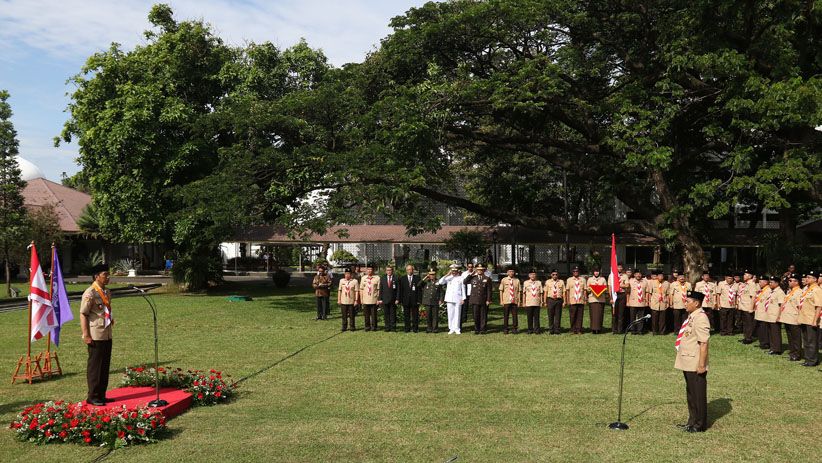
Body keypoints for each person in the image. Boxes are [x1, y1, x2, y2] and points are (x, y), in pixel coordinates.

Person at [674, 290, 711, 433]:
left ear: (696, 303)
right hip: (688, 360)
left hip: (695, 363)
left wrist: (702, 365)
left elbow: (704, 343)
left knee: (698, 394)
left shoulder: (701, 318)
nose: (685, 303)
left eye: (688, 301)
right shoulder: (692, 316)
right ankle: (692, 420)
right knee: (691, 393)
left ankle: (700, 424)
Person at [81, 264, 114, 406]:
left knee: (105, 365)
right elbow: (83, 314)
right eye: (105, 274)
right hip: (95, 334)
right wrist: (86, 334)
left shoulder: (107, 292)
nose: (108, 277)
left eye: (108, 274)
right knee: (95, 366)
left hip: (106, 333)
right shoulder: (90, 293)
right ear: (97, 276)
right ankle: (93, 395)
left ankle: (101, 394)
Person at [798, 270, 821, 367]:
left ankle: (812, 360)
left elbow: (819, 306)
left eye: (809, 277)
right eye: (806, 277)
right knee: (806, 340)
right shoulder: (806, 289)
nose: (806, 279)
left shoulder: (817, 290)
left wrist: (815, 320)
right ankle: (807, 358)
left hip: (811, 319)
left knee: (811, 341)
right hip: (804, 318)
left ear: (815, 279)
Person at [778, 273, 803, 361]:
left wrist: (800, 318)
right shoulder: (790, 292)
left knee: (796, 338)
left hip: (794, 318)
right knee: (790, 337)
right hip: (787, 317)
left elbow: (800, 307)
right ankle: (792, 352)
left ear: (796, 282)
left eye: (790, 280)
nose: (788, 282)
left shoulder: (800, 292)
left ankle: (797, 354)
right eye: (789, 280)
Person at [438, 264, 465, 334]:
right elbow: (440, 282)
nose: (454, 272)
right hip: (449, 298)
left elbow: (463, 288)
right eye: (452, 271)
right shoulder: (448, 278)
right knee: (450, 313)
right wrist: (447, 274)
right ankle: (451, 328)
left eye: (455, 271)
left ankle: (457, 328)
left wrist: (463, 298)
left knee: (457, 313)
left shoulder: (461, 278)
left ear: (457, 271)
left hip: (458, 298)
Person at [467, 264, 493, 334]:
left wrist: (488, 299)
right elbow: (465, 281)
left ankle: (483, 329)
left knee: (483, 315)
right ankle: (476, 329)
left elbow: (489, 290)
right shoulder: (473, 278)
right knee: (475, 315)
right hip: (475, 299)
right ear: (476, 270)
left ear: (483, 270)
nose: (479, 271)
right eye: (478, 269)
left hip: (483, 299)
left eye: (481, 270)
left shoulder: (487, 278)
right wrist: (472, 273)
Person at [735, 270, 758, 344]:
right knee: (745, 323)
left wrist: (751, 308)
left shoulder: (752, 284)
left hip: (748, 307)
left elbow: (753, 297)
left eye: (745, 274)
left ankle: (748, 338)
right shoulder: (744, 284)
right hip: (743, 306)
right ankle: (746, 337)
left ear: (750, 276)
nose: (744, 276)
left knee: (748, 323)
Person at [398, 264, 422, 333]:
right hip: (405, 300)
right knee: (406, 315)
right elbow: (401, 290)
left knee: (415, 315)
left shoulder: (417, 278)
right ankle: (407, 328)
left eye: (411, 269)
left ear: (413, 270)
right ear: (406, 270)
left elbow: (419, 290)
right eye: (408, 269)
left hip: (415, 300)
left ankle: (415, 328)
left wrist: (419, 300)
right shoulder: (402, 278)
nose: (409, 271)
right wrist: (400, 300)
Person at [765, 276, 785, 355]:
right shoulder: (772, 291)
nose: (770, 283)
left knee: (775, 333)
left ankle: (777, 349)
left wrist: (779, 316)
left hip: (775, 316)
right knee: (771, 333)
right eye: (769, 282)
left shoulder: (780, 292)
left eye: (772, 282)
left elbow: (781, 305)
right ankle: (772, 347)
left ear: (777, 283)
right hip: (770, 315)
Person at [499, 266, 521, 334]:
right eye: (510, 271)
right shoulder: (504, 280)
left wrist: (519, 301)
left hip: (514, 300)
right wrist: (501, 300)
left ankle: (514, 328)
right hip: (506, 300)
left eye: (512, 271)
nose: (511, 273)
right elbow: (501, 290)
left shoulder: (517, 280)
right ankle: (506, 329)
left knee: (515, 315)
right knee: (506, 315)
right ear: (507, 272)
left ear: (514, 272)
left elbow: (519, 291)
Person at [753, 275, 773, 351]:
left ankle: (765, 343)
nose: (759, 283)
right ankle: (762, 342)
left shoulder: (768, 290)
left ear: (766, 282)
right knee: (761, 329)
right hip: (759, 312)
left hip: (764, 313)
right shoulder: (762, 290)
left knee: (764, 329)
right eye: (759, 282)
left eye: (761, 282)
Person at [626, 270, 649, 334]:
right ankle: (633, 330)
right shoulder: (630, 281)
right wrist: (627, 301)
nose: (638, 275)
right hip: (633, 302)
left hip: (642, 302)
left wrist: (647, 301)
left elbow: (647, 292)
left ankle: (640, 330)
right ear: (634, 275)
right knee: (632, 317)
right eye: (637, 274)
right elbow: (627, 292)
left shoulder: (645, 282)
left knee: (641, 317)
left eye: (639, 274)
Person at [586, 268, 608, 334]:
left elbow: (605, 288)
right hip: (593, 299)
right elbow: (587, 289)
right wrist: (592, 288)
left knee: (600, 315)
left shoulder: (603, 279)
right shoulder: (590, 279)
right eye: (595, 271)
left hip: (601, 300)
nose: (596, 273)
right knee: (593, 315)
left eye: (597, 271)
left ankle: (599, 329)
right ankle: (593, 329)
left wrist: (600, 289)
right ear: (593, 272)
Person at [359, 264, 381, 331]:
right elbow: (361, 289)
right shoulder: (363, 278)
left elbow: (378, 289)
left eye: (371, 269)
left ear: (373, 270)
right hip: (365, 299)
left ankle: (374, 326)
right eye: (368, 269)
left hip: (374, 299)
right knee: (366, 314)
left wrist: (378, 299)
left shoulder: (377, 278)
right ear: (366, 270)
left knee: (374, 314)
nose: (369, 271)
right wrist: (361, 299)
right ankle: (367, 326)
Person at [565, 266, 586, 335]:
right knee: (572, 315)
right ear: (572, 272)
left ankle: (579, 329)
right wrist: (567, 300)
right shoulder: (569, 280)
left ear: (579, 272)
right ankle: (573, 329)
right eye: (574, 271)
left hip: (580, 300)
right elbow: (567, 291)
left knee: (580, 316)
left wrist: (585, 299)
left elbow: (585, 290)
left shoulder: (583, 280)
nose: (575, 272)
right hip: (572, 300)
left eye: (576, 271)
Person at [379, 266, 399, 332]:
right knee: (386, 314)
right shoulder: (383, 278)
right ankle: (387, 327)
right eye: (388, 270)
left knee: (393, 314)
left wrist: (397, 299)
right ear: (386, 271)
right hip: (385, 299)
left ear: (392, 271)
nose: (389, 271)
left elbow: (398, 290)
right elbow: (381, 289)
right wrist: (380, 299)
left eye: (390, 270)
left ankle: (393, 327)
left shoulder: (396, 278)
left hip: (393, 300)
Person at [337, 267, 358, 331]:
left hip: (351, 301)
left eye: (348, 273)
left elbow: (356, 291)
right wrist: (339, 299)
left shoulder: (355, 281)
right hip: (343, 300)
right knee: (344, 315)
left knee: (352, 315)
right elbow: (339, 290)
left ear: (351, 274)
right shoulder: (341, 281)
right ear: (344, 274)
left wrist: (356, 300)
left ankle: (352, 326)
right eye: (346, 274)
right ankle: (344, 326)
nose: (347, 275)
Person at [649, 270, 670, 335]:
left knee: (662, 319)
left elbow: (668, 294)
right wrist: (649, 301)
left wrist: (668, 303)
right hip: (654, 303)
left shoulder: (667, 283)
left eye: (662, 276)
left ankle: (662, 331)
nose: (661, 277)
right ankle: (655, 331)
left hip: (663, 303)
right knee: (654, 319)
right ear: (657, 276)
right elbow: (650, 293)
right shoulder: (652, 282)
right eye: (659, 276)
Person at [523, 269, 543, 334]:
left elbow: (541, 293)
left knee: (537, 317)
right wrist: (523, 302)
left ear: (536, 275)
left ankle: (537, 330)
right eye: (531, 274)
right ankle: (530, 329)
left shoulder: (539, 282)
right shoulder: (526, 283)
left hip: (537, 302)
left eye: (534, 274)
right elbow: (524, 293)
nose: (533, 275)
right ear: (529, 275)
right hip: (529, 302)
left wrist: (541, 302)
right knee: (529, 317)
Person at [544, 269, 564, 335]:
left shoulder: (561, 282)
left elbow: (564, 292)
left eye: (556, 274)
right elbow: (545, 292)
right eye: (553, 274)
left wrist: (564, 301)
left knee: (558, 315)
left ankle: (557, 330)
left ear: (558, 275)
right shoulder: (547, 282)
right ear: (551, 275)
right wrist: (545, 301)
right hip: (550, 300)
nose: (555, 276)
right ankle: (551, 330)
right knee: (550, 315)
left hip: (558, 300)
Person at [460, 262, 475, 330]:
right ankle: (464, 319)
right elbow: (464, 282)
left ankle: (475, 319)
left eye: (471, 266)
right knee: (464, 307)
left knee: (473, 307)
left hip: (473, 292)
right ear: (467, 267)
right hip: (466, 292)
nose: (470, 268)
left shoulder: (476, 273)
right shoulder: (464, 274)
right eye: (469, 267)